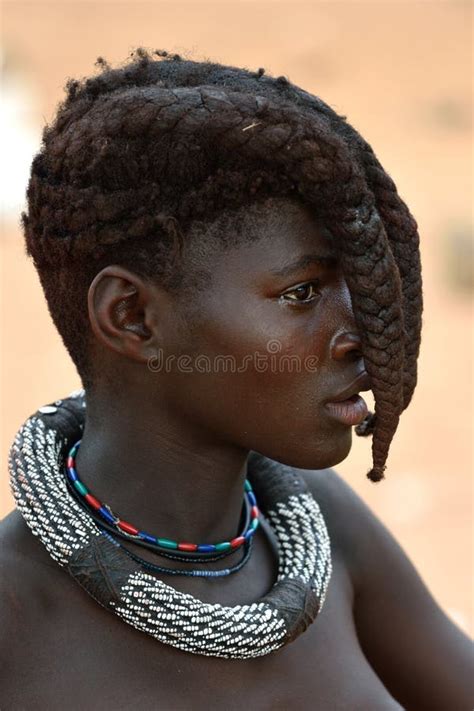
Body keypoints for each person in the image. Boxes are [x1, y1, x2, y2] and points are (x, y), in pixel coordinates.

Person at [1, 48, 472, 710]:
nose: (364, 330)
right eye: (303, 291)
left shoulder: (315, 523)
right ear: (133, 317)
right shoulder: (16, 619)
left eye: (355, 282)